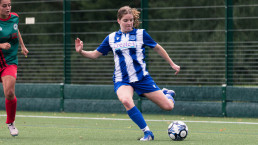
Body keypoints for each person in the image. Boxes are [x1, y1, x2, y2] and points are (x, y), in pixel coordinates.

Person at [75, 6, 180, 141]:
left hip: (142, 79)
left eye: (131, 20)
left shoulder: (141, 34)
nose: (129, 23)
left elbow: (158, 48)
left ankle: (168, 94)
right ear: (118, 20)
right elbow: (95, 55)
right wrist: (81, 52)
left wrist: (172, 63)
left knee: (168, 107)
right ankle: (148, 133)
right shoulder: (111, 38)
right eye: (126, 20)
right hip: (122, 80)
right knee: (126, 100)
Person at [0, 0, 29, 136]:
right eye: (4, 5)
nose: (7, 8)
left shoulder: (15, 17)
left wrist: (22, 46)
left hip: (10, 61)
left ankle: (11, 123)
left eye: (9, 5)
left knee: (10, 93)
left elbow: (16, 30)